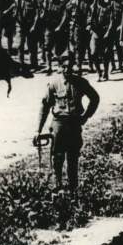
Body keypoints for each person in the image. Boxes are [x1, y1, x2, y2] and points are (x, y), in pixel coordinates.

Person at [37, 57, 100, 194]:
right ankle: (58, 183)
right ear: (59, 68)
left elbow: (95, 98)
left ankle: (73, 186)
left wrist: (86, 116)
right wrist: (38, 130)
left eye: (70, 67)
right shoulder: (54, 84)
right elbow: (45, 106)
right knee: (57, 155)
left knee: (73, 155)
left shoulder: (81, 82)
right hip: (59, 123)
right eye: (64, 67)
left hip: (74, 123)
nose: (67, 70)